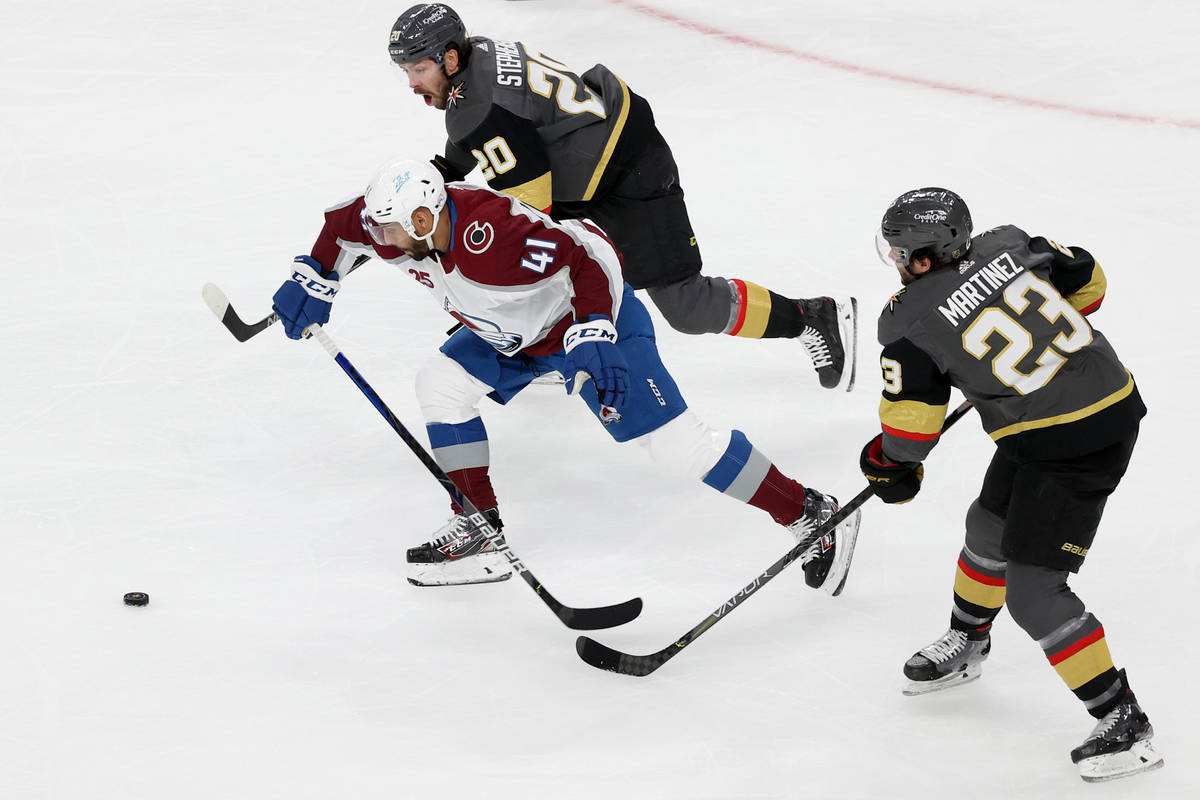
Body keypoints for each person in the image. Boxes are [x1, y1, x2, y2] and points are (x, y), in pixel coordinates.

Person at [269, 158, 862, 595]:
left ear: (425, 219)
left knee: (679, 449)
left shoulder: (493, 234)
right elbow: (344, 226)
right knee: (441, 384)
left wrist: (596, 331)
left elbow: (590, 254)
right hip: (510, 332)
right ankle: (478, 525)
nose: (380, 242)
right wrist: (315, 279)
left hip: (587, 328)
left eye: (391, 232)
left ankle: (809, 511)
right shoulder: (397, 222)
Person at [385, 3, 858, 391]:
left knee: (684, 305)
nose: (412, 84)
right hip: (593, 154)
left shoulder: (475, 110)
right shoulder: (480, 53)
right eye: (406, 70)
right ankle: (549, 345)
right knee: (554, 267)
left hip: (627, 173)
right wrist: (443, 174)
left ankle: (810, 315)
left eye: (419, 69)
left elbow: (531, 213)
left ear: (450, 58)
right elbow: (497, 124)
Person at [858, 187, 1161, 782]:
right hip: (1081, 412)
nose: (896, 262)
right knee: (986, 527)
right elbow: (1090, 285)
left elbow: (912, 432)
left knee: (1034, 592)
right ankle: (968, 642)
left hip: (1074, 447)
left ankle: (1124, 719)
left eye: (900, 253)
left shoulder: (908, 321)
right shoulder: (1011, 243)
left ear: (920, 258)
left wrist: (886, 463)